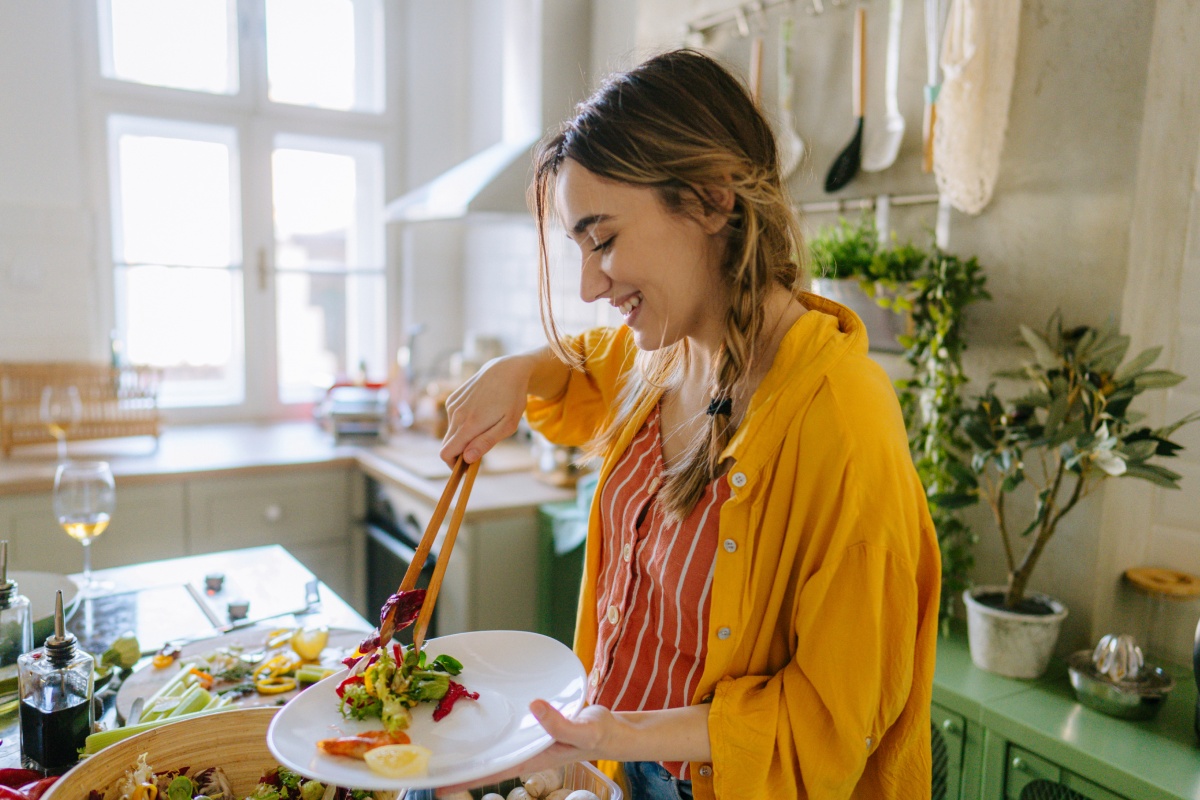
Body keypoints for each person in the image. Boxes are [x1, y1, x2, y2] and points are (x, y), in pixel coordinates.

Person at [438, 49, 941, 800]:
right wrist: (518, 369)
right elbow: (582, 366)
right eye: (580, 248)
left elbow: (836, 715)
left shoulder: (841, 418)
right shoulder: (665, 358)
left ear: (710, 202)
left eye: (604, 240)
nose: (589, 285)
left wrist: (618, 734)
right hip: (617, 765)